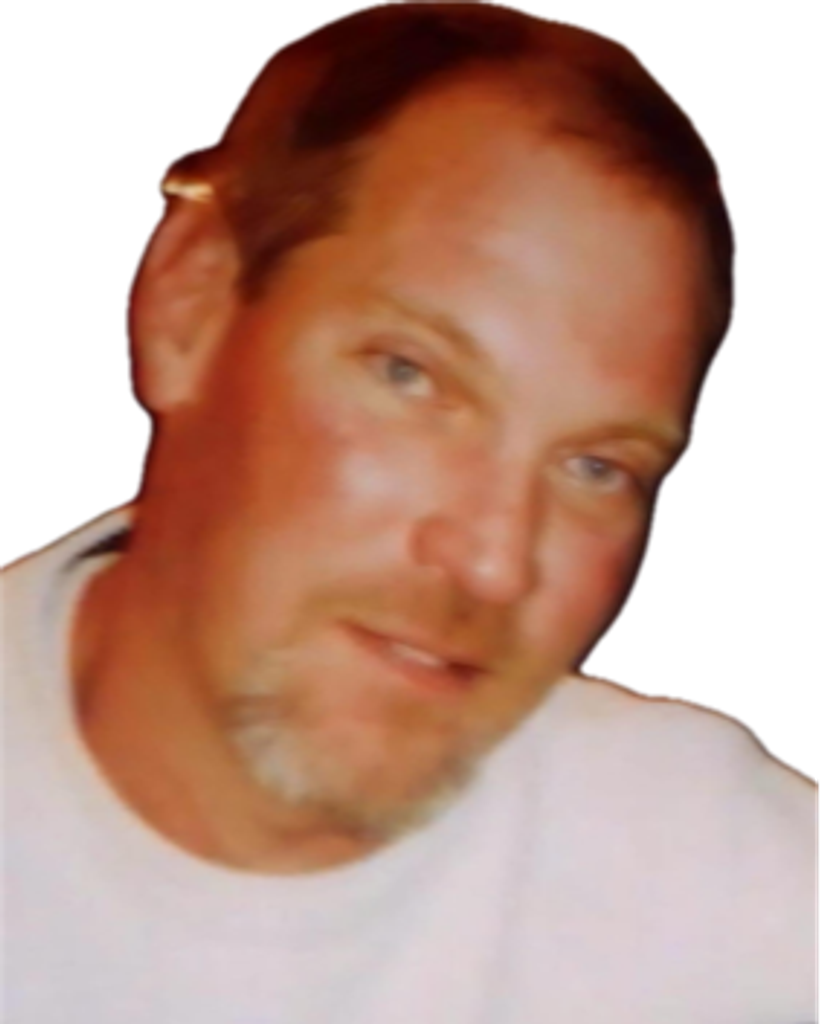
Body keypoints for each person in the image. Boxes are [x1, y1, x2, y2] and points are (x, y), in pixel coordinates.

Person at [3, 3, 817, 1022]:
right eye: (411, 377)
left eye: (595, 468)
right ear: (189, 303)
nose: (491, 561)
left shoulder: (730, 901)